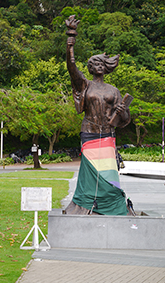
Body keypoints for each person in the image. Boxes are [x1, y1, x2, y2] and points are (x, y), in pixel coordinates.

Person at [65, 15, 131, 215]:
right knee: (91, 172)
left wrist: (123, 111)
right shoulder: (85, 85)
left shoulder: (113, 90)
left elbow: (125, 121)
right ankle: (87, 205)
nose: (100, 65)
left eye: (102, 62)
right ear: (91, 68)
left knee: (108, 171)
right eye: (95, 63)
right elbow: (71, 66)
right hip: (90, 133)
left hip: (108, 134)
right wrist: (71, 38)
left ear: (107, 67)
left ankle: (110, 204)